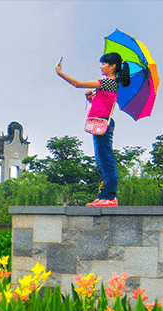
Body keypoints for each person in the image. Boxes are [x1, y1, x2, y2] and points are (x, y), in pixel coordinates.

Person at [55, 52, 131, 206]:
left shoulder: (109, 82)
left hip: (103, 124)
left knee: (106, 160)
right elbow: (101, 105)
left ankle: (110, 196)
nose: (102, 67)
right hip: (99, 122)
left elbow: (77, 83)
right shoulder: (107, 85)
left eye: (104, 64)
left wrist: (60, 73)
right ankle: (103, 194)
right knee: (101, 161)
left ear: (113, 66)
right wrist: (90, 99)